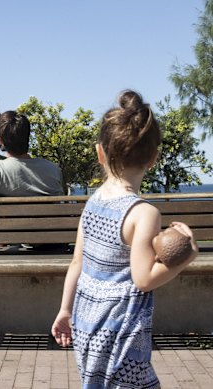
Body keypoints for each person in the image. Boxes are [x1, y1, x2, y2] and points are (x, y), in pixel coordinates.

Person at [50, 90, 199, 388]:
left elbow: (77, 261)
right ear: (154, 158)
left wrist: (65, 310)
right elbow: (144, 279)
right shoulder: (143, 213)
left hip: (87, 323)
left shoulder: (93, 200)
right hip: (122, 333)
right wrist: (188, 255)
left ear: (100, 153)